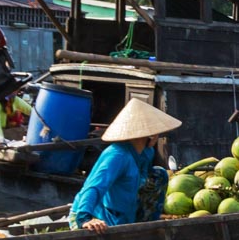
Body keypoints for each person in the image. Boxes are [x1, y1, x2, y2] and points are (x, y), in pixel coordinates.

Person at [71, 99, 180, 231]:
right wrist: (85, 218)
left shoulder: (146, 152)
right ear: (151, 135)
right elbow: (94, 186)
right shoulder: (117, 156)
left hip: (123, 212)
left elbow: (143, 184)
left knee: (159, 174)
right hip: (97, 215)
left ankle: (144, 226)